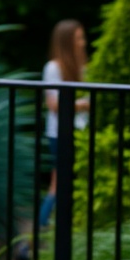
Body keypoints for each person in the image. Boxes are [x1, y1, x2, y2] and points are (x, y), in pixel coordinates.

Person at [39, 19, 89, 227]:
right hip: (60, 134)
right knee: (57, 185)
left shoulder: (82, 67)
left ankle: (52, 232)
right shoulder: (53, 67)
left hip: (80, 131)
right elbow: (53, 104)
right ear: (67, 41)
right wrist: (84, 105)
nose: (83, 43)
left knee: (64, 185)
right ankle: (31, 241)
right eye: (78, 38)